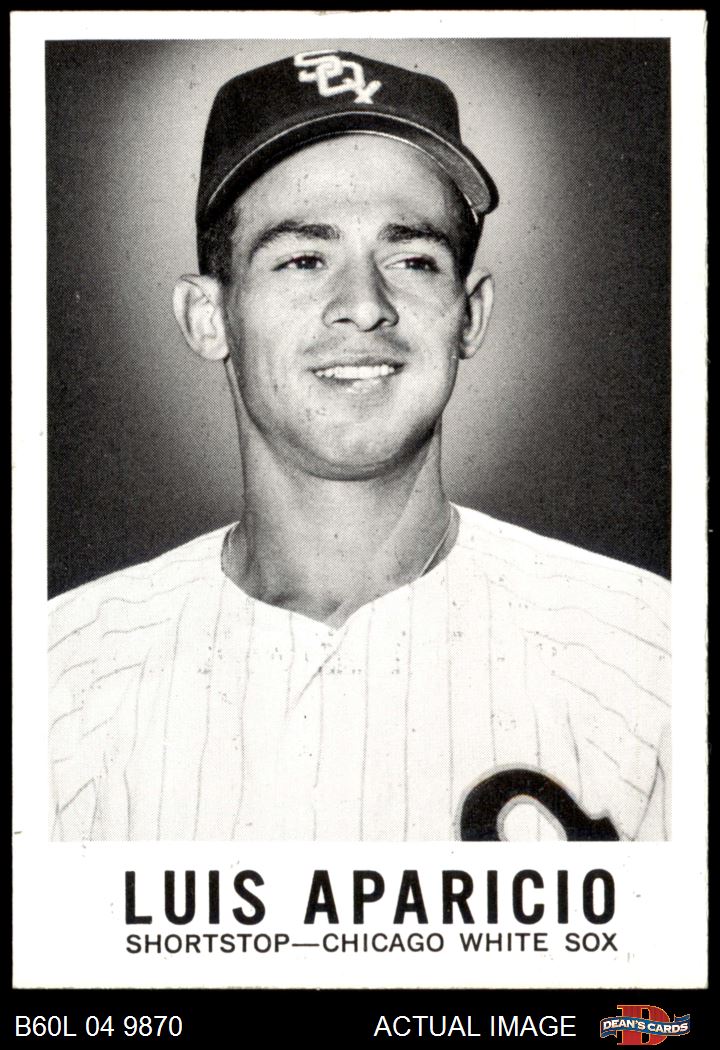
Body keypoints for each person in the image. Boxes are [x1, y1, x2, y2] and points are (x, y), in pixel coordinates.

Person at [49, 49, 670, 843]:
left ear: (471, 314)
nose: (364, 304)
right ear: (208, 317)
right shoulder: (59, 676)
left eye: (413, 259)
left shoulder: (649, 653)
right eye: (304, 259)